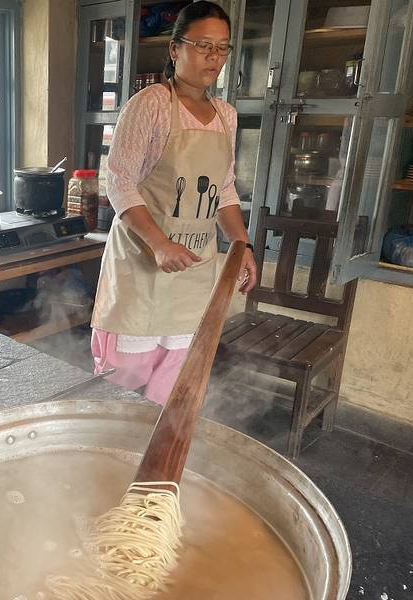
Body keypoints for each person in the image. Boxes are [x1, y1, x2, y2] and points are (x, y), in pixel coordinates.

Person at [91, 1, 258, 405]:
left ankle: (158, 443)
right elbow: (119, 182)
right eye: (203, 45)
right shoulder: (150, 104)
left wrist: (242, 246)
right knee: (124, 381)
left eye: (222, 48)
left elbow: (224, 190)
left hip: (194, 271)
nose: (213, 57)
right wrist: (160, 244)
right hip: (142, 265)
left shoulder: (226, 115)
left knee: (175, 379)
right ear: (174, 48)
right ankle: (113, 440)